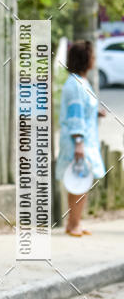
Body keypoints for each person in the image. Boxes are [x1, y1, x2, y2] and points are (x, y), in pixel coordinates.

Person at [55, 39, 106, 236]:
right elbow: (75, 115)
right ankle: (73, 223)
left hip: (85, 140)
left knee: (81, 181)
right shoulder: (76, 85)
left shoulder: (81, 83)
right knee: (78, 182)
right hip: (79, 141)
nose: (94, 60)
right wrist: (78, 143)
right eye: (92, 56)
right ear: (86, 60)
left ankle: (75, 222)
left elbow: (83, 110)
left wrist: (96, 112)